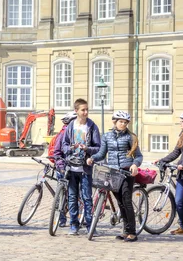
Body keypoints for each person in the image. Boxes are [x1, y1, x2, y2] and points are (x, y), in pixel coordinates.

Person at [87, 111, 143, 242]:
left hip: (126, 172)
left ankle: (132, 232)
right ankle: (125, 230)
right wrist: (92, 158)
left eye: (125, 122)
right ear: (114, 122)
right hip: (112, 172)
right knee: (120, 203)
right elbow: (101, 153)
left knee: (126, 200)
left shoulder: (130, 137)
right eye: (121, 121)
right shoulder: (106, 136)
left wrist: (135, 164)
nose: (123, 124)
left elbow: (138, 155)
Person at [61, 98, 101, 235]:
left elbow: (98, 148)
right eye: (83, 110)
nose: (85, 112)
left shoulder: (92, 126)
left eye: (87, 110)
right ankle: (74, 224)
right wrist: (70, 149)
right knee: (72, 197)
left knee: (87, 198)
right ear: (76, 111)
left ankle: (90, 226)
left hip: (85, 168)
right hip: (71, 168)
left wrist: (87, 149)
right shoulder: (71, 126)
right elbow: (64, 145)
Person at [50, 111, 77, 227]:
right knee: (64, 195)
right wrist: (61, 166)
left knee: (69, 195)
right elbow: (57, 152)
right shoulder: (64, 134)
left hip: (72, 167)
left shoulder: (74, 132)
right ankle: (62, 219)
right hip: (64, 168)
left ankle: (68, 219)